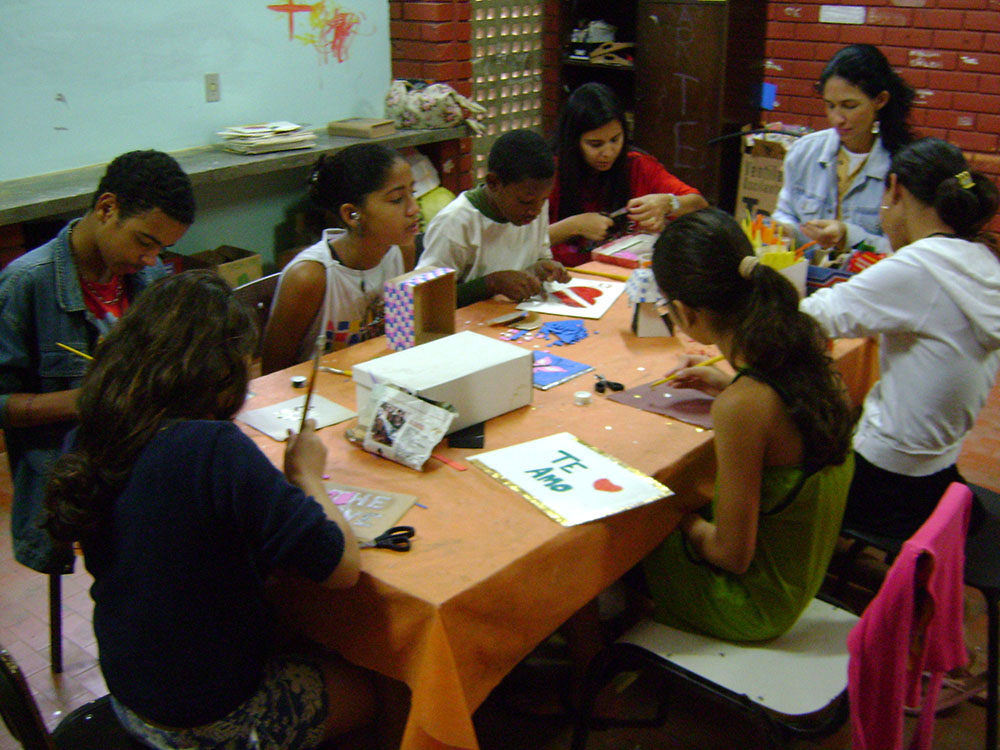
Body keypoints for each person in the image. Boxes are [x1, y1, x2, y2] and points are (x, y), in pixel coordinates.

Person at [44, 270, 374, 749]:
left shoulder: (92, 433)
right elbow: (341, 568)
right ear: (220, 373)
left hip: (134, 693)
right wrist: (307, 474)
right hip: (206, 719)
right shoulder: (211, 447)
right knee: (379, 687)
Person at [642, 208, 856, 641]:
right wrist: (729, 386)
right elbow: (781, 417)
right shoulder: (806, 351)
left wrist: (675, 515)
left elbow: (731, 554)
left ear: (684, 313)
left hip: (754, 604)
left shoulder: (743, 406)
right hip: (799, 574)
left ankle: (593, 658)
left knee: (624, 534)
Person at [0, 149, 192, 574]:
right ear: (107, 208)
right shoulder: (25, 284)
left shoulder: (147, 277)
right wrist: (89, 398)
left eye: (162, 248)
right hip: (70, 481)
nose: (151, 259)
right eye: (144, 242)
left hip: (142, 464)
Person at [801, 137, 1000, 540]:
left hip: (886, 483)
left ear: (895, 190)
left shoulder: (919, 267)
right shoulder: (977, 260)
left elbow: (813, 317)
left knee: (777, 464)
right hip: (937, 469)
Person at [261, 143, 420, 374]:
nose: (414, 209)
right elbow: (273, 374)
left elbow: (400, 340)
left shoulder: (402, 250)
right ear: (352, 214)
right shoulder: (310, 277)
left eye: (412, 193)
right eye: (396, 199)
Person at [773, 44, 915, 256]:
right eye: (830, 106)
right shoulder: (804, 152)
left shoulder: (903, 165)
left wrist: (849, 236)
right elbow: (785, 213)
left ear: (880, 100)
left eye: (849, 106)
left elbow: (909, 251)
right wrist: (787, 231)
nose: (837, 118)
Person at [548, 82, 707, 267]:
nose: (608, 153)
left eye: (615, 140)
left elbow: (700, 205)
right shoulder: (550, 173)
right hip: (565, 278)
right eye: (595, 144)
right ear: (573, 141)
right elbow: (522, 242)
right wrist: (573, 226)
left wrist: (669, 204)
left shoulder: (638, 165)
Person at [416, 128, 570, 307]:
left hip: (515, 314)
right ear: (493, 183)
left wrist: (542, 268)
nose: (535, 211)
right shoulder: (455, 223)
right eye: (525, 201)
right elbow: (426, 297)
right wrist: (490, 284)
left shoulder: (534, 205)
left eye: (544, 199)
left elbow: (539, 256)